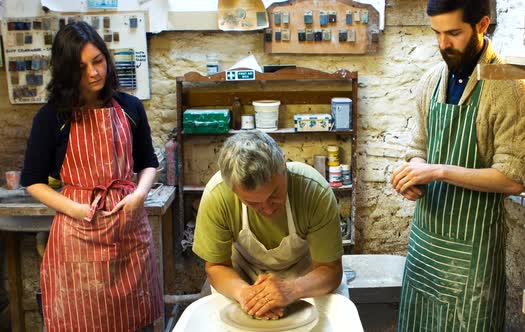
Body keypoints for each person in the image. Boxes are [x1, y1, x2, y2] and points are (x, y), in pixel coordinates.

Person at [391, 0, 525, 331]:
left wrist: (438, 171)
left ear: (482, 25)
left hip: (472, 252)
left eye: (454, 33)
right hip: (426, 243)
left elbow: (514, 178)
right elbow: (417, 147)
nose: (444, 44)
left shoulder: (508, 87)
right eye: (437, 33)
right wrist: (414, 172)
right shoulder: (432, 81)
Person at [20, 21, 162, 331]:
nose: (94, 73)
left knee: (136, 322)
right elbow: (32, 180)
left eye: (98, 61)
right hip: (78, 233)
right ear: (67, 71)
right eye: (82, 67)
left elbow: (148, 163)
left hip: (128, 230)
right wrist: (75, 209)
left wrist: (139, 196)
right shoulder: (52, 117)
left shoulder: (130, 107)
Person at [193, 130, 345, 320]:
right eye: (253, 203)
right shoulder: (218, 195)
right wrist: (247, 295)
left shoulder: (313, 190)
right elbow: (216, 266)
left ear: (284, 165)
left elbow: (330, 270)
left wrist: (291, 290)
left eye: (274, 194)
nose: (267, 208)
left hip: (307, 277)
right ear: (233, 191)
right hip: (241, 276)